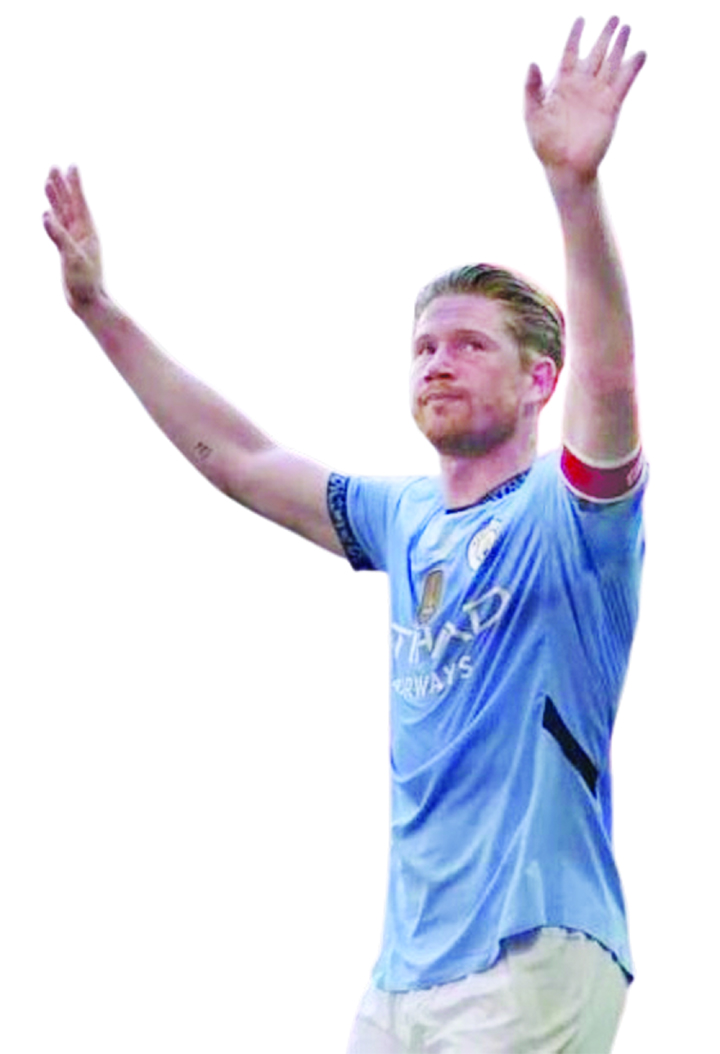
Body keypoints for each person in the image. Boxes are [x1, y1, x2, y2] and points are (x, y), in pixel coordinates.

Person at [43, 15, 647, 1054]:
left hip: (532, 944)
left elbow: (612, 376)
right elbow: (239, 459)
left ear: (536, 380)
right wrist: (99, 311)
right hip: (402, 974)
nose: (437, 361)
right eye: (424, 346)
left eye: (470, 345)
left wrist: (573, 190)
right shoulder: (400, 515)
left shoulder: (571, 514)